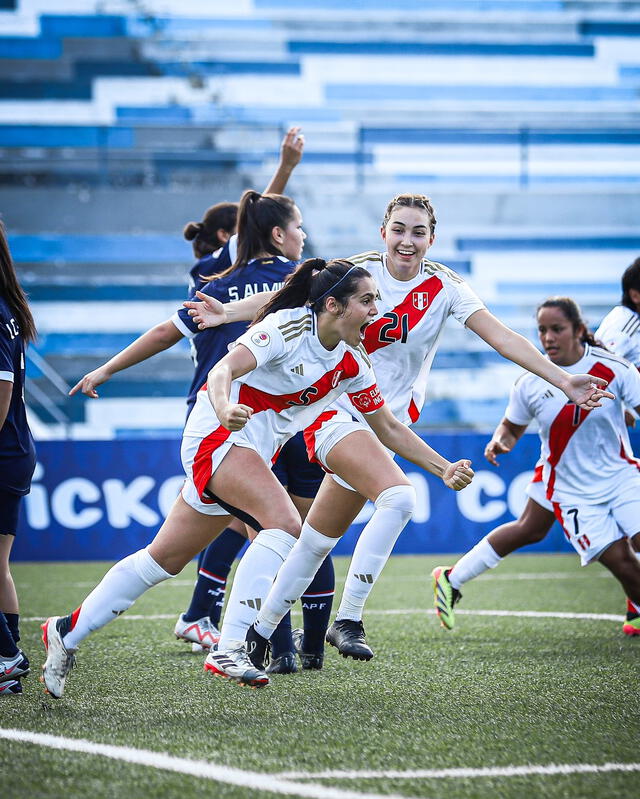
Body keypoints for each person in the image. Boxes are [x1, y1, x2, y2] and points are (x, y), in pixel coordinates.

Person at [183, 193, 614, 663]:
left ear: (432, 238)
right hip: (332, 410)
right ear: (383, 232)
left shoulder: (446, 288)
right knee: (401, 496)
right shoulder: (360, 273)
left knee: (315, 542)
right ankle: (348, 618)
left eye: (418, 232)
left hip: (386, 424)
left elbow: (502, 338)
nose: (407, 241)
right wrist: (226, 314)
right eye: (399, 230)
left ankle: (259, 633)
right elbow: (289, 296)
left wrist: (564, 379)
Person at [40, 258, 474, 696]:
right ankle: (229, 648)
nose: (377, 310)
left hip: (247, 452)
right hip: (216, 435)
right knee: (285, 525)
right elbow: (221, 370)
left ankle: (64, 632)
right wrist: (226, 407)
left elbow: (388, 428)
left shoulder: (352, 362)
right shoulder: (286, 327)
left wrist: (443, 469)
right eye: (367, 300)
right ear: (333, 305)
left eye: (376, 300)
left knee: (162, 560)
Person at [68, 129, 327, 667]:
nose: (304, 236)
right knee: (284, 526)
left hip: (215, 418)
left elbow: (167, 331)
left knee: (177, 552)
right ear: (279, 235)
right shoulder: (300, 283)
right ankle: (248, 645)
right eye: (298, 227)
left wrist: (107, 369)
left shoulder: (211, 277)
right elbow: (271, 255)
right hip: (239, 420)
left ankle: (68, 632)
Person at [431, 260, 640, 634]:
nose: (547, 338)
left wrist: (626, 413)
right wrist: (501, 442)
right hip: (569, 486)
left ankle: (636, 606)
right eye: (542, 330)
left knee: (535, 529)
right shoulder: (531, 383)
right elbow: (511, 427)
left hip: (622, 475)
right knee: (620, 561)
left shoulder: (616, 368)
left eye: (556, 329)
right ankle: (451, 579)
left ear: (579, 330)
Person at [0, 222, 37, 697]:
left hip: (3, 451)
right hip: (14, 451)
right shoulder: (9, 308)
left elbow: (0, 400)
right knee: (0, 564)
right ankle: (8, 659)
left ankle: (7, 656)